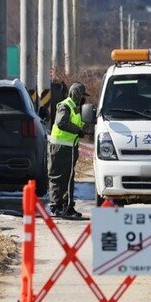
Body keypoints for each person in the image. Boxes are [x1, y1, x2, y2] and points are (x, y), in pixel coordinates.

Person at [48, 82, 89, 219]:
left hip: (69, 147)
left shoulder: (76, 108)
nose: (83, 99)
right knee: (58, 177)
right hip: (60, 147)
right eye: (82, 95)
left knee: (68, 178)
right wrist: (77, 130)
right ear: (76, 94)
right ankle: (57, 206)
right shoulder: (65, 106)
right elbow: (61, 122)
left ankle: (67, 206)